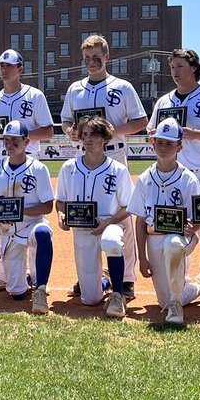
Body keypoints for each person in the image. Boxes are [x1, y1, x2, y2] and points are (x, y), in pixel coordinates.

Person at [60, 35, 148, 300]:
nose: (91, 62)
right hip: (84, 157)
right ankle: (90, 274)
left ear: (107, 57)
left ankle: (127, 278)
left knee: (123, 217)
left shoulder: (121, 87)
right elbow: (65, 120)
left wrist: (111, 131)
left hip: (114, 155)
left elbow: (141, 120)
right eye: (87, 58)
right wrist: (71, 131)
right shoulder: (76, 88)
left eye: (96, 57)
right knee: (84, 215)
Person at [147, 48, 200, 310]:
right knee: (174, 228)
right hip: (173, 176)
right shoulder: (163, 102)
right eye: (172, 66)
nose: (175, 71)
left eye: (180, 66)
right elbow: (151, 131)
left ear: (194, 68)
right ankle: (182, 283)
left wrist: (196, 133)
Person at [0, 49, 55, 293]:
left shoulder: (34, 96)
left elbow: (47, 131)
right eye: (1, 66)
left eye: (9, 66)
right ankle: (5, 275)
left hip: (28, 161)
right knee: (5, 216)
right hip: (2, 162)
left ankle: (35, 275)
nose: (4, 70)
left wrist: (19, 138)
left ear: (20, 69)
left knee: (30, 219)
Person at [55, 115, 133, 317]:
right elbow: (61, 200)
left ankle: (117, 294)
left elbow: (129, 206)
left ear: (105, 139)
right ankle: (105, 281)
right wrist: (61, 214)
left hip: (110, 224)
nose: (88, 139)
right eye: (85, 134)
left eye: (94, 135)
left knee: (112, 241)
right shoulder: (69, 168)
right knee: (90, 299)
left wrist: (109, 221)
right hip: (82, 229)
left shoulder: (118, 170)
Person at [130, 118, 200, 326]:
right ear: (153, 143)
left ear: (179, 146)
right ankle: (199, 286)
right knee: (162, 299)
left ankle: (175, 304)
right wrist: (142, 259)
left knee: (173, 244)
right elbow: (140, 220)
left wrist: (192, 227)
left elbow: (197, 220)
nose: (163, 147)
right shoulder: (145, 178)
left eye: (169, 143)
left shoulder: (188, 178)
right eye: (160, 142)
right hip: (154, 236)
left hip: (181, 238)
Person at [0, 120, 55, 314]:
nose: (9, 144)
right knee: (16, 293)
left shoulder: (38, 169)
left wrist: (21, 211)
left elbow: (48, 206)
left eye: (15, 140)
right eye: (6, 140)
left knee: (43, 234)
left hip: (32, 224)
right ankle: (27, 280)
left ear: (27, 141)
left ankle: (40, 288)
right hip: (7, 232)